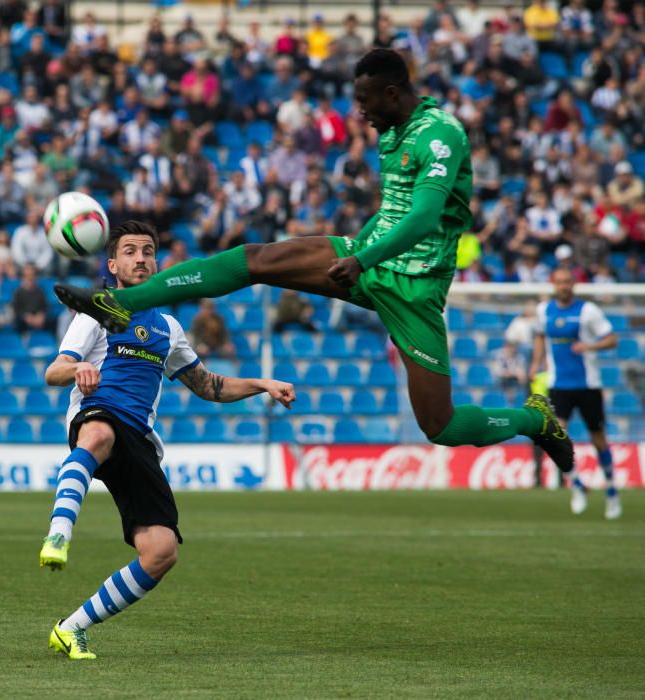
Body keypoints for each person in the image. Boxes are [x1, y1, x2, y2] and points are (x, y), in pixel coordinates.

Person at [55, 48, 573, 474]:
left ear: (392, 93)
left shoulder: (441, 134)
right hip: (366, 259)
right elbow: (390, 212)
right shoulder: (392, 133)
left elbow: (422, 217)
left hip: (415, 290)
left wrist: (363, 256)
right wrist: (359, 248)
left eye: (366, 102)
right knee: (257, 259)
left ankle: (533, 418)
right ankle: (120, 303)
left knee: (442, 427)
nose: (360, 114)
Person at [39, 221, 295, 660]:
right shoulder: (98, 311)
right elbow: (54, 371)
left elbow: (208, 385)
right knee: (98, 434)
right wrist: (78, 370)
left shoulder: (169, 327)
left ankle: (71, 627)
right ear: (112, 264)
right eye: (131, 251)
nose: (141, 259)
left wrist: (261, 383)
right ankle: (59, 534)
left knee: (161, 551)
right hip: (97, 414)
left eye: (149, 251)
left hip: (138, 438)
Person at [529, 267, 621, 519]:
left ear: (574, 284)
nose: (563, 286)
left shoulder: (588, 311)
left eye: (567, 282)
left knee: (598, 438)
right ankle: (578, 485)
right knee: (556, 437)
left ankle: (612, 491)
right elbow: (538, 335)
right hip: (559, 385)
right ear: (553, 284)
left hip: (588, 384)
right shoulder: (543, 311)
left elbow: (613, 339)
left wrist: (590, 345)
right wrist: (535, 364)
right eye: (559, 282)